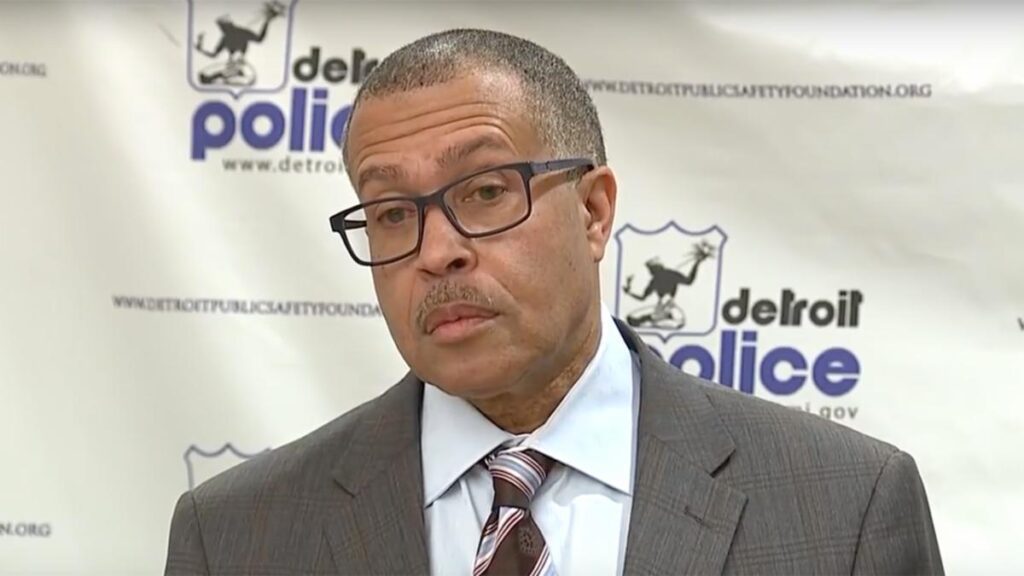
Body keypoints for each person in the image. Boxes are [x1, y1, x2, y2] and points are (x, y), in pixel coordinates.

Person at [164, 28, 944, 575]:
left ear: (594, 212)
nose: (437, 251)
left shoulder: (845, 506)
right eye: (393, 212)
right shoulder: (236, 535)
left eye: (486, 190)